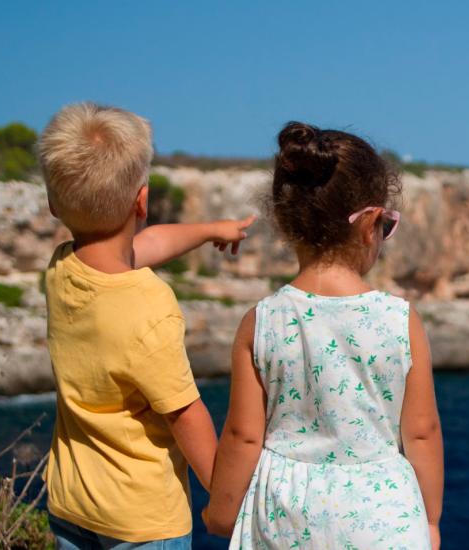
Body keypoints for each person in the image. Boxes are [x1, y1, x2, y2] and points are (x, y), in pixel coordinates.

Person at [202, 122, 444, 549]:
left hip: (286, 514)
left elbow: (243, 436)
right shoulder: (401, 320)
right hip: (382, 516)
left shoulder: (262, 321)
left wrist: (221, 513)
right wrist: (430, 521)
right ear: (370, 224)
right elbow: (421, 432)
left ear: (285, 220)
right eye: (387, 226)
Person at [37, 102, 255, 548]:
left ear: (53, 204)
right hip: (143, 523)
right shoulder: (148, 305)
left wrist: (211, 228)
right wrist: (226, 498)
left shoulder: (61, 268)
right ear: (143, 200)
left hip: (72, 507)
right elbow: (184, 413)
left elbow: (145, 244)